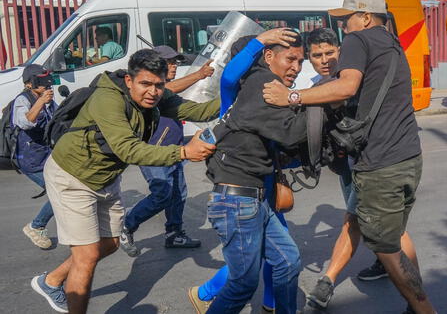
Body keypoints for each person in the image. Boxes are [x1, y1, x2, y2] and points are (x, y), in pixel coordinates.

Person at [263, 0, 436, 314]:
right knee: (393, 234)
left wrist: (291, 97)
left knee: (384, 245)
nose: (343, 25)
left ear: (366, 16)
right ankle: (417, 306)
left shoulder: (359, 40)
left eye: (346, 18)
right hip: (409, 156)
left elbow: (346, 87)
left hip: (380, 162)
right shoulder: (392, 43)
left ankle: (425, 310)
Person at [30, 49, 219, 314]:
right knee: (86, 257)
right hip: (71, 175)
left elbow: (199, 111)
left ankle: (51, 281)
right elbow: (128, 149)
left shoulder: (157, 96)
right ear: (129, 80)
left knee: (110, 244)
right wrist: (184, 151)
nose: (152, 92)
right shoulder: (108, 99)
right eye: (145, 84)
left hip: (105, 178)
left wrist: (242, 95)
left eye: (159, 85)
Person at [186, 29, 300, 314]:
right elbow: (227, 76)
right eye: (291, 60)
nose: (296, 68)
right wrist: (259, 41)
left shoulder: (272, 95)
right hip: (239, 191)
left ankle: (270, 304)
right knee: (246, 276)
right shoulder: (237, 96)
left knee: (285, 260)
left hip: (264, 187)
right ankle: (206, 294)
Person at [302, 28, 387, 309]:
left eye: (330, 52)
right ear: (309, 58)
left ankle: (326, 283)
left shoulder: (351, 80)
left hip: (369, 162)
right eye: (317, 55)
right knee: (374, 220)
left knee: (354, 218)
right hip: (345, 164)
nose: (325, 59)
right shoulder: (316, 82)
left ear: (339, 51)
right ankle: (387, 262)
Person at [119, 45, 215, 257]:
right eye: (169, 62)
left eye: (175, 63)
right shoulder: (156, 91)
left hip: (176, 149)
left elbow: (195, 108)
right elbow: (173, 88)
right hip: (154, 151)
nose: (173, 66)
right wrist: (199, 74)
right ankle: (126, 225)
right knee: (162, 194)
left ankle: (174, 233)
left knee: (178, 194)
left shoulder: (164, 89)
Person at [13, 64, 57, 249]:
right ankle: (36, 226)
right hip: (31, 159)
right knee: (59, 194)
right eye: (42, 81)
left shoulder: (46, 99)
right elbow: (25, 122)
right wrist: (40, 103)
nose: (47, 85)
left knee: (66, 189)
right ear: (30, 84)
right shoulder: (22, 100)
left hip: (47, 155)